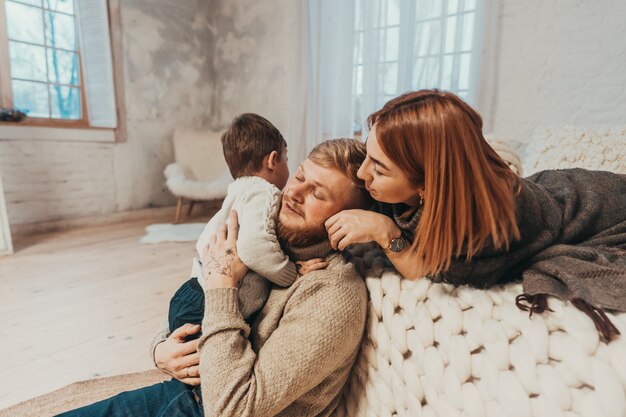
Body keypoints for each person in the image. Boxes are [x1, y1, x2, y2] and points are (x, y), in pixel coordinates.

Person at [56, 138, 371, 417]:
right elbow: (195, 297)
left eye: (317, 193)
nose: (294, 193)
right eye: (300, 176)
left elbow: (234, 409)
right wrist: (161, 349)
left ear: (347, 217)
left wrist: (223, 283)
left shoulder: (334, 294)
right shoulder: (267, 239)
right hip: (186, 392)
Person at [326, 89, 626, 342]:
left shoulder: (484, 228)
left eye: (379, 169)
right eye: (368, 154)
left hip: (602, 205)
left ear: (427, 186)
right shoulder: (411, 184)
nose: (363, 172)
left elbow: (432, 270)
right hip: (555, 184)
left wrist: (387, 233)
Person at [169, 113, 323, 344]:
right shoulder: (265, 192)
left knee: (191, 369)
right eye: (287, 159)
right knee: (210, 370)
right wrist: (291, 272)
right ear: (273, 160)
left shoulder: (236, 191)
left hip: (190, 292)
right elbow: (254, 248)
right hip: (208, 305)